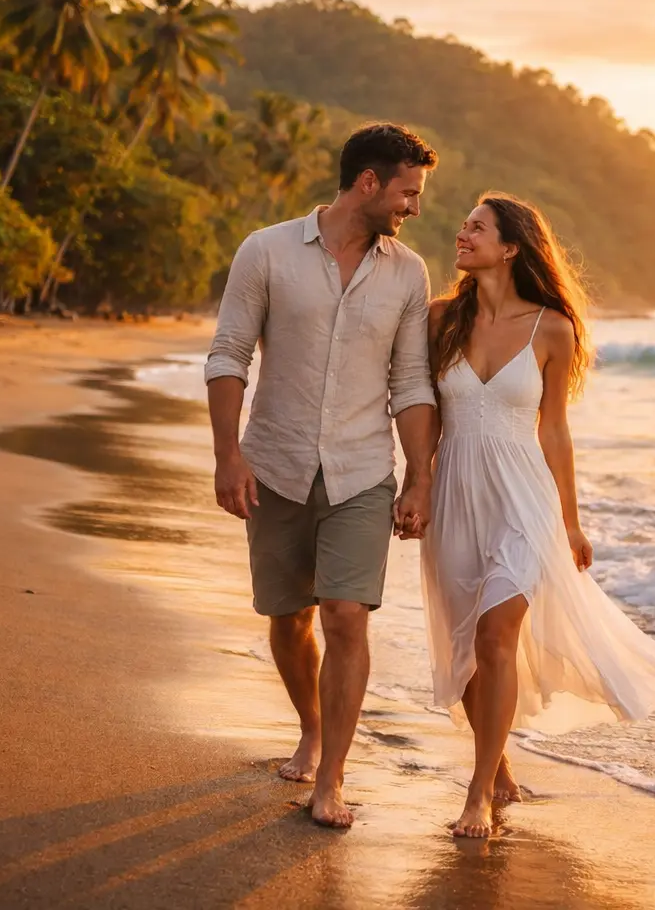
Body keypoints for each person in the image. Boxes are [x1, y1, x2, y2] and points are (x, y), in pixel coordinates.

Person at [420, 192, 655, 838]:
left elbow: (555, 431)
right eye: (465, 225)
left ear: (511, 247)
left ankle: (477, 794)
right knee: (467, 650)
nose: (463, 232)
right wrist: (412, 483)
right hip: (455, 492)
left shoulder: (551, 330)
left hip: (523, 500)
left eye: (477, 227)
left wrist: (570, 519)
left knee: (495, 636)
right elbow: (415, 408)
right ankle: (499, 765)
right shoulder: (438, 320)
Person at [205, 122, 440, 828]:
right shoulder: (268, 250)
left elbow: (412, 380)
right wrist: (227, 455)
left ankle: (332, 778)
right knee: (288, 616)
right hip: (274, 464)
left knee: (345, 615)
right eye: (407, 192)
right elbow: (228, 355)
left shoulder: (408, 272)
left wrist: (419, 478)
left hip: (363, 469)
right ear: (367, 183)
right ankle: (310, 725)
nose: (414, 208)